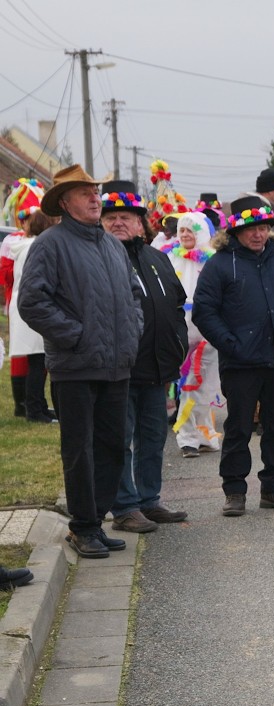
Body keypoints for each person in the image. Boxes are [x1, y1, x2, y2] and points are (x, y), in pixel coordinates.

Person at [19, 165, 143, 559]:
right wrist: (75, 336)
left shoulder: (111, 245)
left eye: (95, 190)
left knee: (113, 446)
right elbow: (32, 302)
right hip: (76, 367)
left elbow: (133, 297)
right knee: (79, 449)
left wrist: (131, 333)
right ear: (65, 202)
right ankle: (83, 526)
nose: (95, 197)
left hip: (116, 365)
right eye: (85, 192)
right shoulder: (50, 244)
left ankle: (96, 519)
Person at [193, 195, 274, 517]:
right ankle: (234, 490)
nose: (257, 234)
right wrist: (232, 344)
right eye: (250, 229)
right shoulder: (220, 264)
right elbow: (205, 313)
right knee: (239, 428)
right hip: (241, 363)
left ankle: (273, 487)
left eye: (261, 227)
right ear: (235, 232)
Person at [102, 180, 190, 533]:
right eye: (110, 217)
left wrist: (178, 346)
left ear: (141, 222)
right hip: (118, 369)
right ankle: (124, 506)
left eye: (126, 216)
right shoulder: (101, 257)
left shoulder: (156, 258)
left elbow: (176, 304)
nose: (118, 223)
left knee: (153, 439)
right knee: (119, 440)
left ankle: (148, 500)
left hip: (157, 369)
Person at [159, 212, 222, 458]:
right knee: (187, 383)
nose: (185, 235)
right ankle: (186, 437)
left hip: (208, 331)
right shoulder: (169, 258)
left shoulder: (214, 260)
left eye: (190, 231)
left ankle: (204, 433)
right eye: (182, 231)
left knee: (206, 384)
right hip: (180, 332)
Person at [5, 185, 59, 423]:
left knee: (37, 360)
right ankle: (35, 410)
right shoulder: (36, 247)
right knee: (38, 360)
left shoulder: (23, 246)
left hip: (23, 305)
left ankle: (37, 405)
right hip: (35, 305)